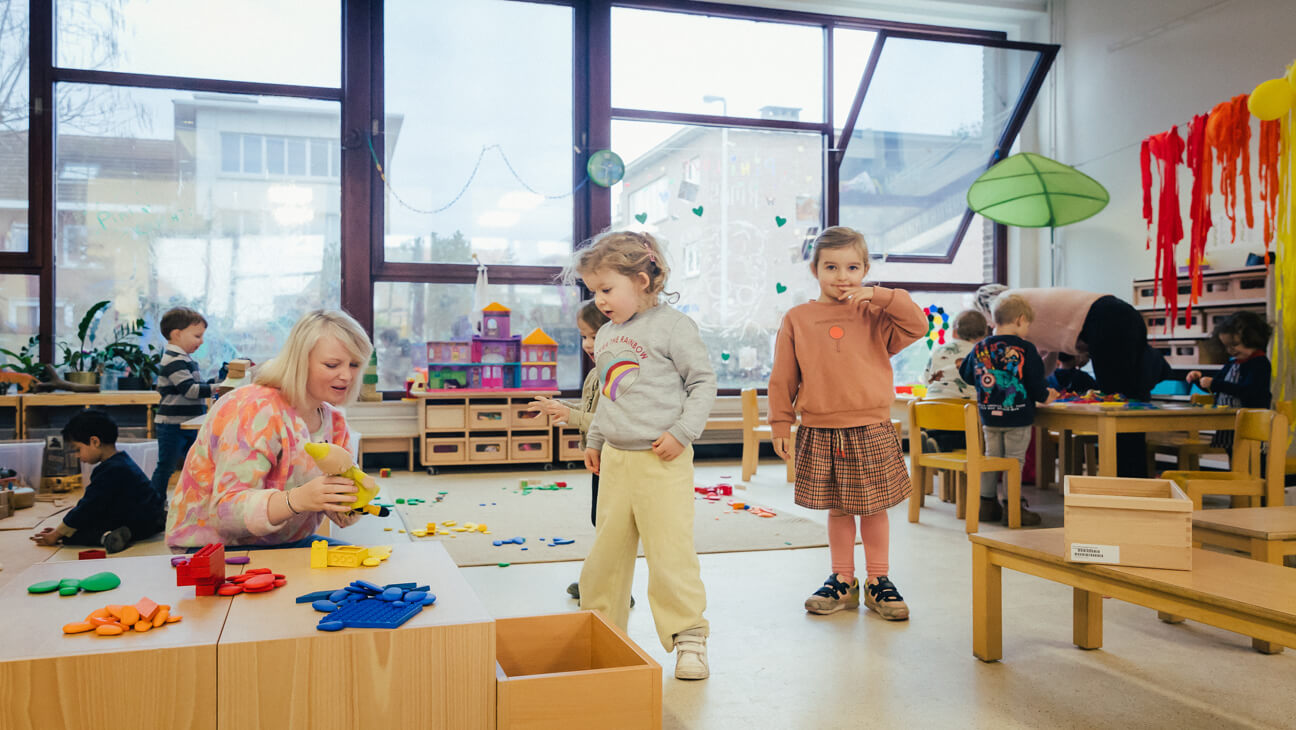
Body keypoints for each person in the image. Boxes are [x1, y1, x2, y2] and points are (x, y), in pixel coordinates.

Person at [571, 230, 716, 681]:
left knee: (669, 552)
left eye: (607, 289)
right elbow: (611, 397)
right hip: (616, 460)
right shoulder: (609, 333)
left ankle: (688, 637)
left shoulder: (674, 326)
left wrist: (682, 432)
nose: (601, 301)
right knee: (607, 553)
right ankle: (600, 628)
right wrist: (595, 439)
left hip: (662, 461)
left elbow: (702, 383)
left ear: (642, 280)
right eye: (594, 291)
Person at [768, 226, 927, 621]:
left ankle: (878, 580)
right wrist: (780, 424)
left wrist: (880, 294)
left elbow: (917, 325)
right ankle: (843, 578)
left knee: (873, 509)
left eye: (853, 267)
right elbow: (783, 377)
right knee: (838, 509)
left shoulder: (875, 314)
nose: (843, 276)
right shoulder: (798, 318)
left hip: (870, 426)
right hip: (819, 429)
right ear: (815, 269)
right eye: (832, 267)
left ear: (866, 269)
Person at [165, 310, 373, 551]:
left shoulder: (334, 421)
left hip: (286, 542)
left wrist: (354, 500)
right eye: (332, 364)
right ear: (300, 361)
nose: (346, 375)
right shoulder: (254, 408)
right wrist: (298, 499)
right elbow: (226, 513)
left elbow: (343, 515)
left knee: (363, 573)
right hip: (211, 548)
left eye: (355, 364)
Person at [974, 284, 1154, 477]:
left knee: (1116, 404)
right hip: (1124, 314)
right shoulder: (1029, 304)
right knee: (1132, 401)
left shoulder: (1009, 306)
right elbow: (1044, 368)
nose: (993, 328)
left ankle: (1126, 482)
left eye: (991, 324)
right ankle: (1137, 477)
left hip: (1105, 321)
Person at [525, 300, 616, 600]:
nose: (588, 344)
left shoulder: (615, 375)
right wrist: (559, 407)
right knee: (600, 521)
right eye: (584, 336)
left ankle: (610, 586)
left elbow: (608, 421)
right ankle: (602, 581)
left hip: (615, 460)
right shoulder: (594, 374)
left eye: (594, 335)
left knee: (610, 526)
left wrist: (569, 415)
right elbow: (586, 410)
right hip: (598, 460)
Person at [960, 294, 1059, 525]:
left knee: (992, 458)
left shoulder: (980, 347)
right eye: (1027, 325)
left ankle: (986, 505)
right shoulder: (1026, 348)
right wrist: (1046, 396)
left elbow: (967, 375)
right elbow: (1035, 382)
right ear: (1020, 319)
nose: (1027, 329)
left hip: (989, 416)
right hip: (1017, 417)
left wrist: (987, 388)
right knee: (1014, 462)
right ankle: (1013, 509)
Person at [31, 410, 165, 553]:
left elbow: (86, 507)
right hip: (153, 521)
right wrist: (63, 529)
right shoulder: (123, 460)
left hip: (137, 525)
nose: (77, 455)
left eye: (78, 449)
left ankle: (106, 537)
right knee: (78, 524)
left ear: (94, 442)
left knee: (75, 534)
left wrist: (58, 534)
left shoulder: (109, 470)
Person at [149, 307, 213, 503]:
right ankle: (154, 503)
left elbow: (195, 386)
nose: (201, 341)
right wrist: (217, 388)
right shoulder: (174, 359)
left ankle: (192, 501)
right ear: (176, 334)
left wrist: (213, 384)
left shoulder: (185, 359)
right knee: (166, 466)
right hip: (172, 425)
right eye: (197, 336)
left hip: (188, 422)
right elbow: (190, 390)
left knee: (196, 464)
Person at [1186, 310, 1272, 449]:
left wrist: (1215, 383)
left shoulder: (1259, 363)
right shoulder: (1233, 363)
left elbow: (1249, 391)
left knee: (1252, 459)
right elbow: (1215, 386)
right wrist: (1198, 380)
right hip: (1228, 422)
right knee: (1233, 456)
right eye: (1226, 346)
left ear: (1252, 339)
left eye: (1235, 344)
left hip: (1250, 424)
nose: (1230, 350)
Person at [921, 308, 989, 452]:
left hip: (932, 411)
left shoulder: (939, 351)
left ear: (954, 332)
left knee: (942, 427)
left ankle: (930, 438)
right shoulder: (982, 353)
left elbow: (927, 380)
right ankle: (941, 444)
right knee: (971, 434)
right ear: (985, 334)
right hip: (962, 414)